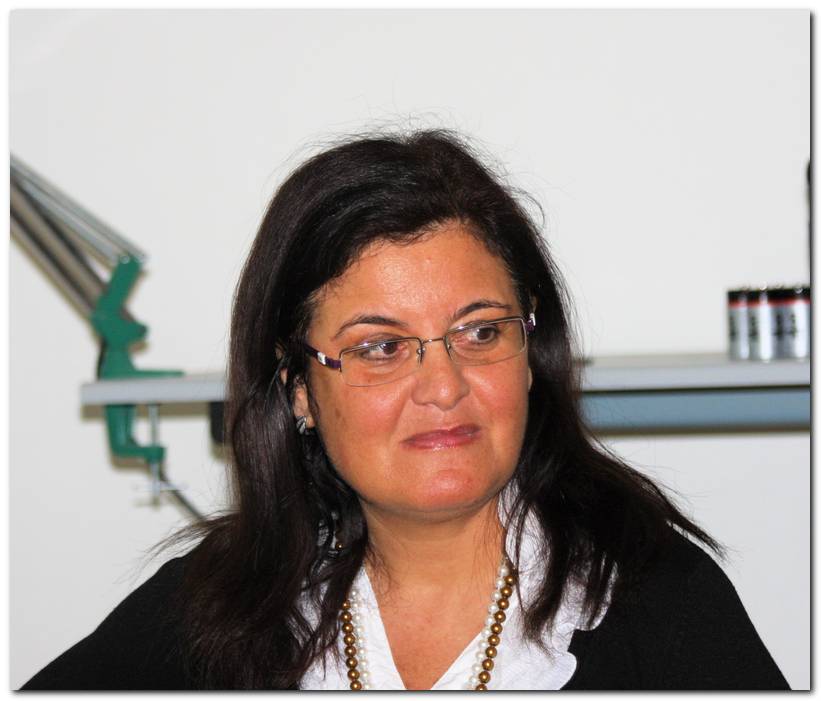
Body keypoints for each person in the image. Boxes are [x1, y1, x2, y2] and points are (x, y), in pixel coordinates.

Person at [22, 129, 788, 691]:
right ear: (297, 387)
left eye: (480, 332)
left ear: (531, 356)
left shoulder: (656, 602)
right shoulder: (214, 609)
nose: (443, 386)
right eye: (380, 347)